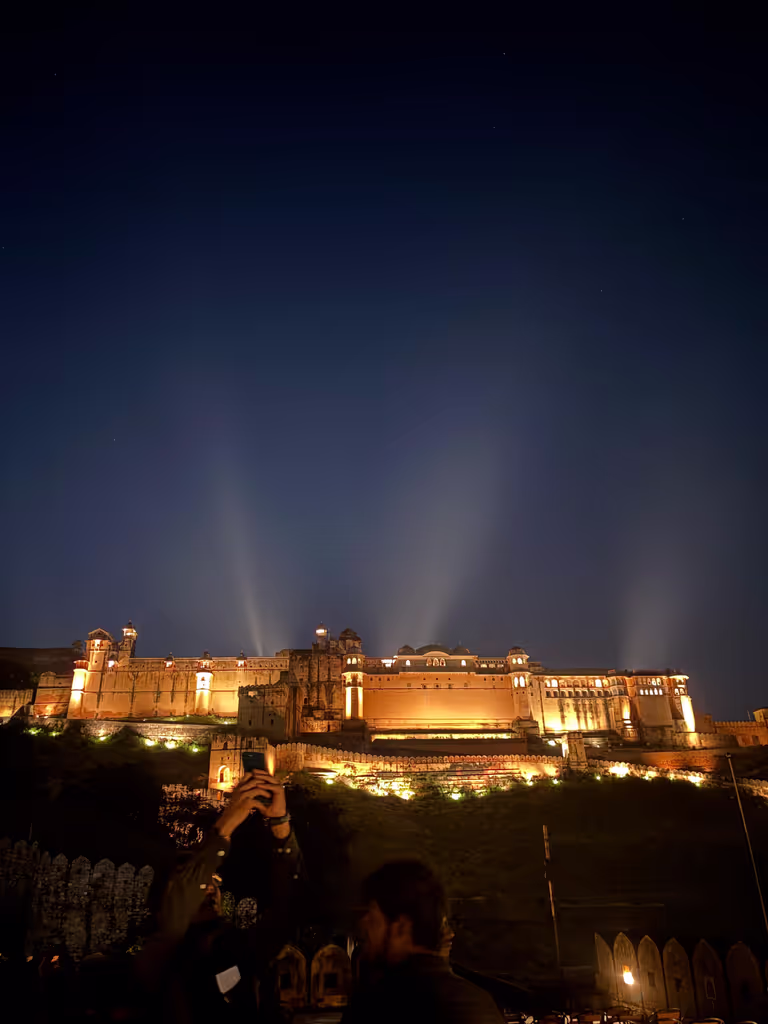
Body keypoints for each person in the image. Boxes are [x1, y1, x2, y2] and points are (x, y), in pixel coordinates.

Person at [137, 769, 304, 1023]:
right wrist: (226, 825)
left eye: (214, 882)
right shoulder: (160, 957)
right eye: (200, 883)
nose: (210, 888)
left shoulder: (237, 950)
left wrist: (280, 824)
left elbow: (288, 910)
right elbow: (178, 912)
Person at [342, 860, 504, 1024]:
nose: (364, 924)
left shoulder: (374, 1006)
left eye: (373, 918)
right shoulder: (481, 1003)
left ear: (401, 928)